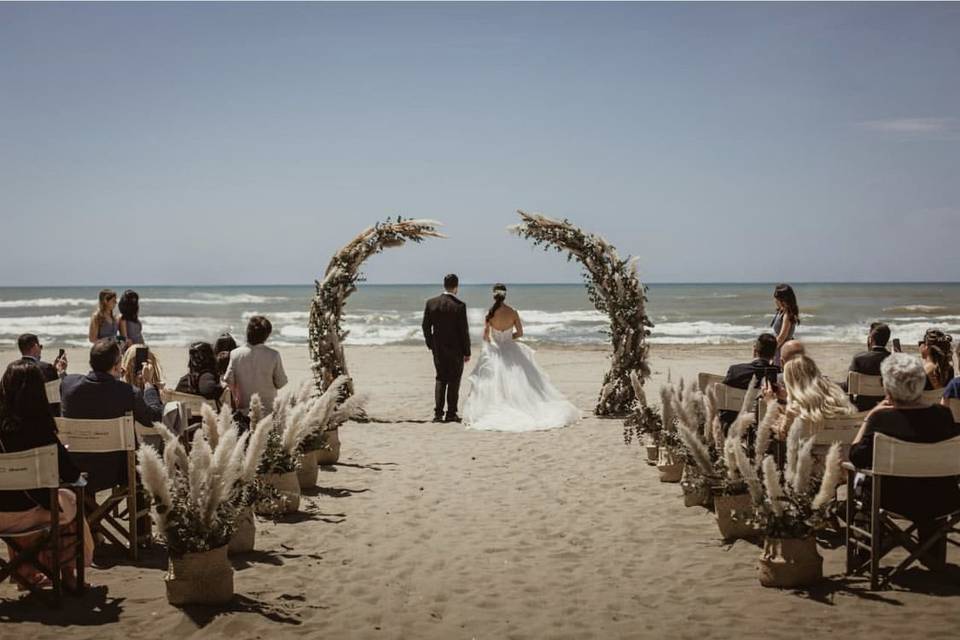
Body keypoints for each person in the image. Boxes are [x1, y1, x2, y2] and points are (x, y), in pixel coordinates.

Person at [849, 353, 960, 569]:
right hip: (942, 499)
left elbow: (855, 457)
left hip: (890, 499)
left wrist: (868, 417)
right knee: (929, 478)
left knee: (862, 480)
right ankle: (931, 550)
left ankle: (865, 550)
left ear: (888, 388)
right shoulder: (943, 415)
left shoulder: (880, 418)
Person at [0, 361, 94, 590]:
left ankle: (25, 574)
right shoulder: (42, 431)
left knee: (27, 502)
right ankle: (69, 575)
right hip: (33, 515)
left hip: (1, 514)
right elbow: (72, 474)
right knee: (69, 500)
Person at [463, 284, 579, 431]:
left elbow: (486, 336)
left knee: (495, 381)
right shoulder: (513, 312)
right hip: (511, 348)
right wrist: (508, 338)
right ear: (505, 295)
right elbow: (520, 333)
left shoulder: (490, 313)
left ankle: (502, 404)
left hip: (496, 350)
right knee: (519, 380)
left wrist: (493, 343)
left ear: (494, 295)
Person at [60, 339, 163, 491]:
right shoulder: (128, 392)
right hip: (116, 473)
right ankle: (140, 513)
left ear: (91, 362)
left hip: (74, 469)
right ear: (116, 366)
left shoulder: (68, 384)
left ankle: (87, 511)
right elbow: (153, 418)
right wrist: (148, 384)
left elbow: (97, 394)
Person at [768, 353, 856, 438]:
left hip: (809, 452)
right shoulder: (839, 399)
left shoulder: (794, 410)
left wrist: (770, 403)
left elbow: (782, 434)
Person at [421, 274, 471, 423]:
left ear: (444, 285)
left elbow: (425, 326)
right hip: (456, 349)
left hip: (438, 348)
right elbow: (464, 331)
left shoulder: (431, 303)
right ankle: (451, 413)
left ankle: (438, 414)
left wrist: (431, 343)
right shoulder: (460, 305)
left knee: (440, 378)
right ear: (456, 287)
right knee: (454, 380)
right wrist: (467, 351)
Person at [224, 316, 287, 414]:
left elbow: (228, 381)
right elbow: (281, 382)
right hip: (268, 411)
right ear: (267, 335)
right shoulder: (273, 355)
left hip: (244, 411)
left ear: (247, 332)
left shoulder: (235, 354)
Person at [718, 333, 780, 426]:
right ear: (774, 353)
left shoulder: (735, 370)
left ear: (755, 350)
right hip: (767, 424)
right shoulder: (778, 374)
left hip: (735, 421)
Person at [17, 333, 68, 416]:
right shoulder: (46, 368)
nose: (41, 350)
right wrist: (61, 372)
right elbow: (55, 399)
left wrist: (53, 370)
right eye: (40, 347)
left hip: (18, 419)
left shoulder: (12, 367)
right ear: (35, 347)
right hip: (40, 420)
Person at [846, 322, 892, 410]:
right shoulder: (893, 359)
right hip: (886, 405)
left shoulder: (859, 358)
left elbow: (849, 385)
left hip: (863, 406)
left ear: (871, 339)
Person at [771, 284, 800, 366]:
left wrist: (770, 351)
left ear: (782, 300)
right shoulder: (781, 311)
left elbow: (782, 337)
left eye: (776, 298)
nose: (774, 300)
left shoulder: (787, 315)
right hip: (779, 348)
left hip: (783, 350)